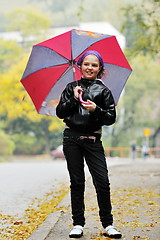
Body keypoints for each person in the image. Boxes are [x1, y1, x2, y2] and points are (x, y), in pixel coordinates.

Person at [56, 50, 122, 239]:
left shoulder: (104, 91)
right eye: (86, 64)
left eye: (94, 65)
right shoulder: (71, 88)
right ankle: (78, 223)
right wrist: (72, 98)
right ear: (80, 66)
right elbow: (60, 112)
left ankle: (108, 224)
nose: (90, 68)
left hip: (93, 140)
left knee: (102, 181)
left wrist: (96, 109)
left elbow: (110, 118)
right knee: (76, 182)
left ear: (100, 68)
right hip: (72, 140)